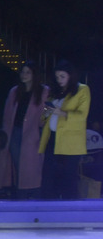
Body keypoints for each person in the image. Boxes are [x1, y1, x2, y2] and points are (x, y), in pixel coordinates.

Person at [0, 61, 49, 198]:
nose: (24, 75)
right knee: (16, 164)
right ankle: (19, 193)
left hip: (33, 134)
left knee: (31, 166)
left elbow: (45, 113)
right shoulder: (15, 91)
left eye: (28, 72)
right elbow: (7, 114)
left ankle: (33, 193)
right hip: (15, 132)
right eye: (22, 72)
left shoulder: (43, 91)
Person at [39, 60, 91, 199]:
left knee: (68, 175)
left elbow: (82, 116)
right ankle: (49, 204)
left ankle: (70, 208)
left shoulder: (82, 89)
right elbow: (46, 112)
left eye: (62, 76)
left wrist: (60, 112)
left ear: (70, 76)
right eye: (57, 77)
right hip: (52, 137)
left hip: (70, 141)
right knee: (49, 174)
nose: (59, 80)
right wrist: (45, 113)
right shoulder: (55, 91)